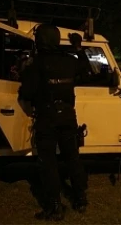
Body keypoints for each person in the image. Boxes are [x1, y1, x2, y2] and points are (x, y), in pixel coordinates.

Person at [18, 24, 88, 221]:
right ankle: (81, 198)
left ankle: (55, 206)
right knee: (72, 157)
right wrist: (78, 48)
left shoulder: (37, 63)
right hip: (68, 116)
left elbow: (27, 93)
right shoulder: (70, 61)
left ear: (41, 40)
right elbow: (86, 70)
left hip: (47, 118)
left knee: (48, 162)